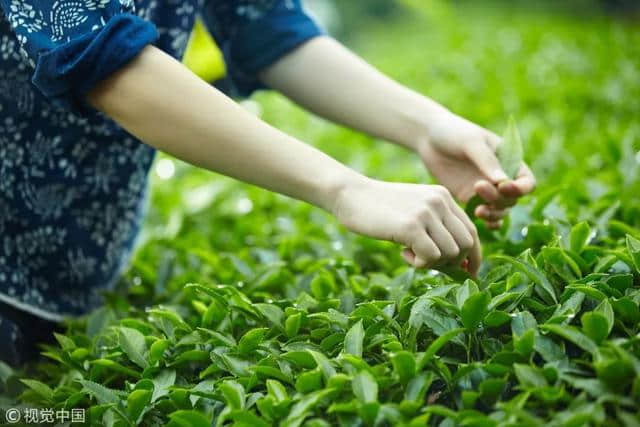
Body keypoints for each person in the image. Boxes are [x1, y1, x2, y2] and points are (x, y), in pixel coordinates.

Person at [0, 0, 535, 365]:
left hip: (80, 275)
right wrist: (346, 188)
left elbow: (263, 27)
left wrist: (426, 127)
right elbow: (105, 61)